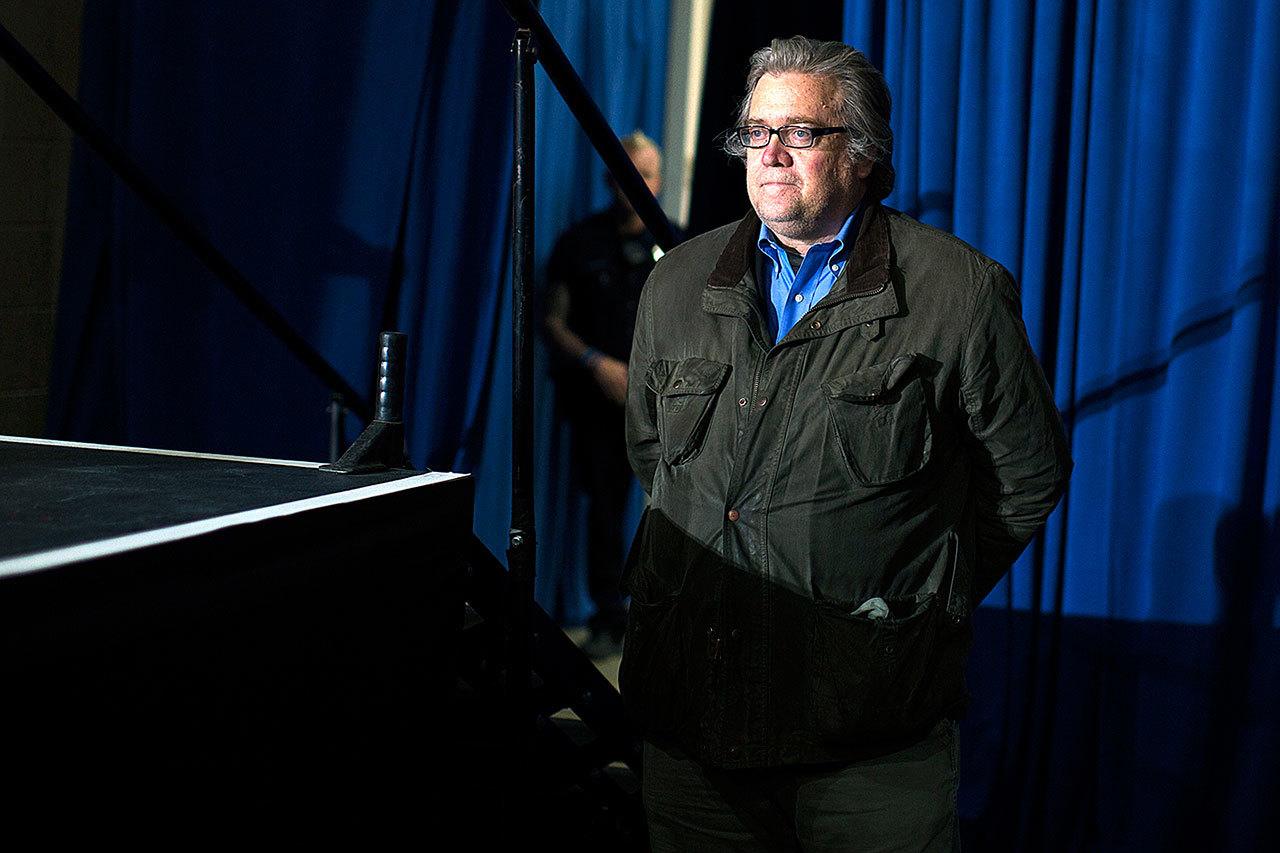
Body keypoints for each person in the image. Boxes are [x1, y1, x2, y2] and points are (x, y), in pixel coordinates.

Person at [622, 37, 1072, 850]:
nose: (772, 154)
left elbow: (1026, 478)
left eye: (802, 133)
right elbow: (654, 457)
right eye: (757, 133)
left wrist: (919, 596)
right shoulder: (676, 282)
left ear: (863, 155)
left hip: (868, 735)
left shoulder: (958, 291)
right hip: (692, 719)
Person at [544, 131, 670, 658]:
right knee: (602, 508)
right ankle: (606, 615)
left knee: (670, 512)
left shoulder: (679, 243)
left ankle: (661, 619)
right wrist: (596, 363)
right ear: (607, 181)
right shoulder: (579, 242)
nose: (633, 187)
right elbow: (552, 319)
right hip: (598, 404)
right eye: (624, 175)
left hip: (663, 405)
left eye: (644, 175)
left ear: (658, 181)